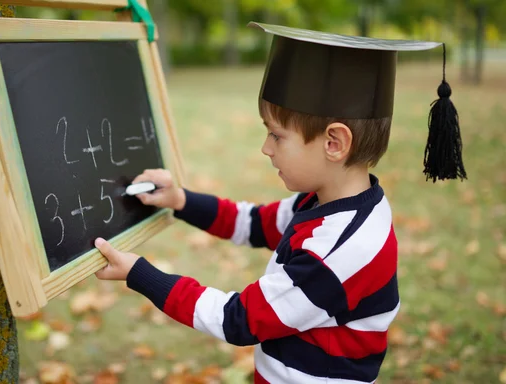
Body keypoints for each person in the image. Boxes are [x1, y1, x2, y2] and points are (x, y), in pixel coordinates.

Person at [93, 22, 466, 383]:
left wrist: (139, 273)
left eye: (276, 135)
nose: (266, 148)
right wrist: (180, 200)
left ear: (334, 143)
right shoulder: (327, 201)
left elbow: (237, 320)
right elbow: (252, 223)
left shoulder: (340, 250)